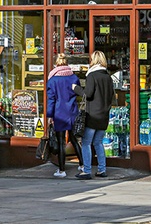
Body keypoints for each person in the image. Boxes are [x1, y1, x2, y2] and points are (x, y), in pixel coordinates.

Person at [72, 50, 115, 179]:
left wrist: (76, 89)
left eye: (91, 59)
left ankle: (86, 170)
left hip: (92, 115)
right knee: (98, 142)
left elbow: (88, 94)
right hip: (104, 115)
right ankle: (102, 169)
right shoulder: (107, 76)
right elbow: (111, 95)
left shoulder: (92, 76)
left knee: (86, 143)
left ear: (94, 61)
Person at [46, 53, 84, 178]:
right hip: (72, 111)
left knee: (61, 141)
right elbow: (78, 92)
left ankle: (62, 170)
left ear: (57, 63)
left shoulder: (52, 80)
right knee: (74, 139)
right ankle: (82, 164)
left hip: (59, 113)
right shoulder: (73, 78)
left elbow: (51, 100)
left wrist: (49, 116)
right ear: (67, 63)